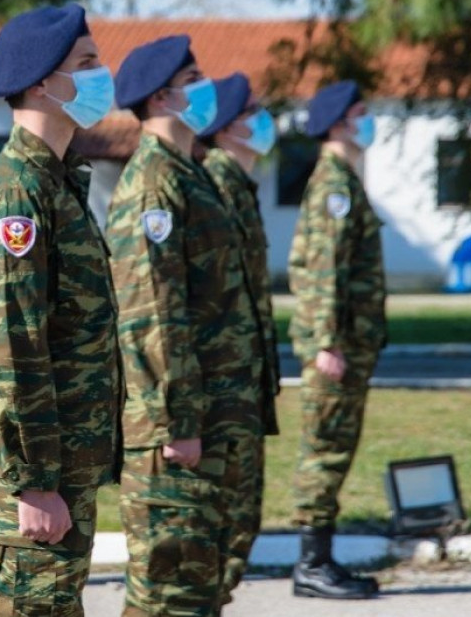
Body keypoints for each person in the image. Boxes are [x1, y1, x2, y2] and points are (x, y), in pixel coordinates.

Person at [0, 4, 122, 617]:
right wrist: (32, 480)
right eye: (86, 64)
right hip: (40, 478)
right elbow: (9, 345)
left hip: (67, 467)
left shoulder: (58, 184)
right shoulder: (17, 193)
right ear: (40, 82)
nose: (101, 76)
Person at [105, 36, 263, 616]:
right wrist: (175, 422)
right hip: (179, 431)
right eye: (194, 78)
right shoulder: (154, 183)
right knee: (169, 597)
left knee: (199, 590)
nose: (207, 88)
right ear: (165, 96)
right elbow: (153, 312)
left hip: (214, 415)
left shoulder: (189, 174)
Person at [288, 80, 386, 600]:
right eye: (363, 113)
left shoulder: (343, 180)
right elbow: (322, 268)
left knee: (334, 448)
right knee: (323, 451)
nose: (370, 122)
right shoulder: (334, 187)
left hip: (349, 342)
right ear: (340, 123)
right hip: (336, 346)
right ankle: (312, 564)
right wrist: (326, 341)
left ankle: (318, 560)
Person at [196, 72, 281, 601]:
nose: (263, 121)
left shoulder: (238, 186)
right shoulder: (219, 185)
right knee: (222, 531)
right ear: (226, 129)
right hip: (223, 388)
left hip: (244, 380)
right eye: (251, 113)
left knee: (239, 524)